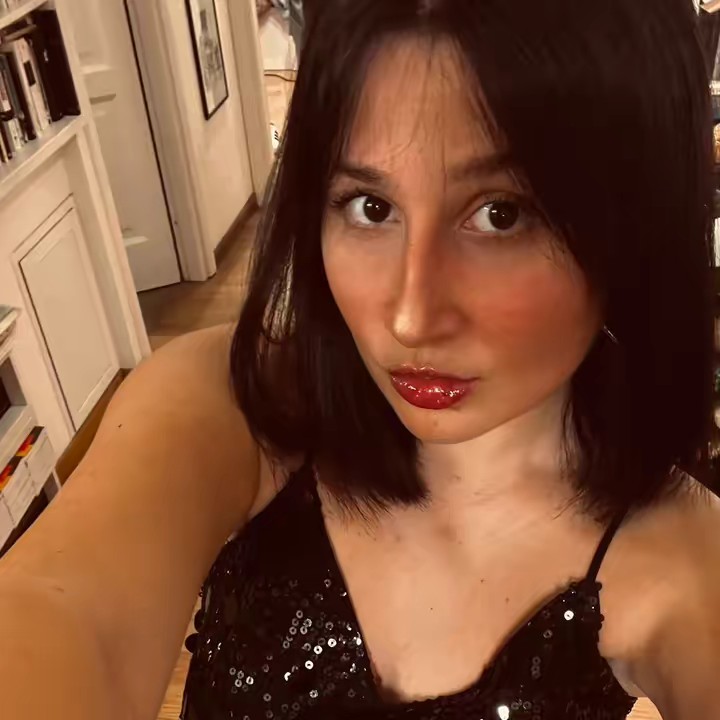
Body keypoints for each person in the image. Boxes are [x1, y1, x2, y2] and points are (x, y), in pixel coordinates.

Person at [1, 0, 719, 718]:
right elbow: (69, 611)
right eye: (370, 206)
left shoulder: (685, 561)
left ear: (637, 222)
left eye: (501, 214)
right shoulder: (238, 407)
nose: (410, 316)